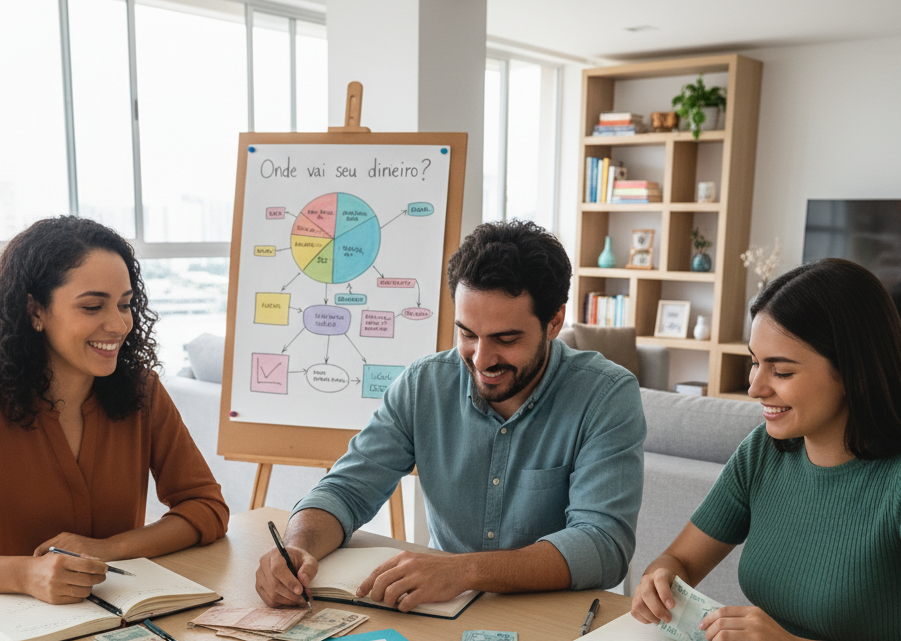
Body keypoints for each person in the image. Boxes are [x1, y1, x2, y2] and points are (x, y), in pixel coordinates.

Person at [256, 219, 645, 612]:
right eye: (467, 334)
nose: (482, 359)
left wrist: (464, 571)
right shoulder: (423, 384)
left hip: (556, 618)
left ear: (554, 322)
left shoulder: (606, 395)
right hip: (440, 612)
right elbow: (345, 490)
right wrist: (296, 548)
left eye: (506, 339)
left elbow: (603, 544)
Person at [631, 258, 901, 641]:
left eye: (781, 371)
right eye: (754, 363)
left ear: (852, 373)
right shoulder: (764, 452)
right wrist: (661, 577)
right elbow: (679, 561)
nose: (755, 387)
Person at [0, 215, 228, 604]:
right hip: (6, 627)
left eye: (125, 304)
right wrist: (26, 575)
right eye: (92, 307)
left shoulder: (144, 393)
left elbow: (206, 507)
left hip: (119, 619)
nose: (118, 325)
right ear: (35, 311)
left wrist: (108, 549)